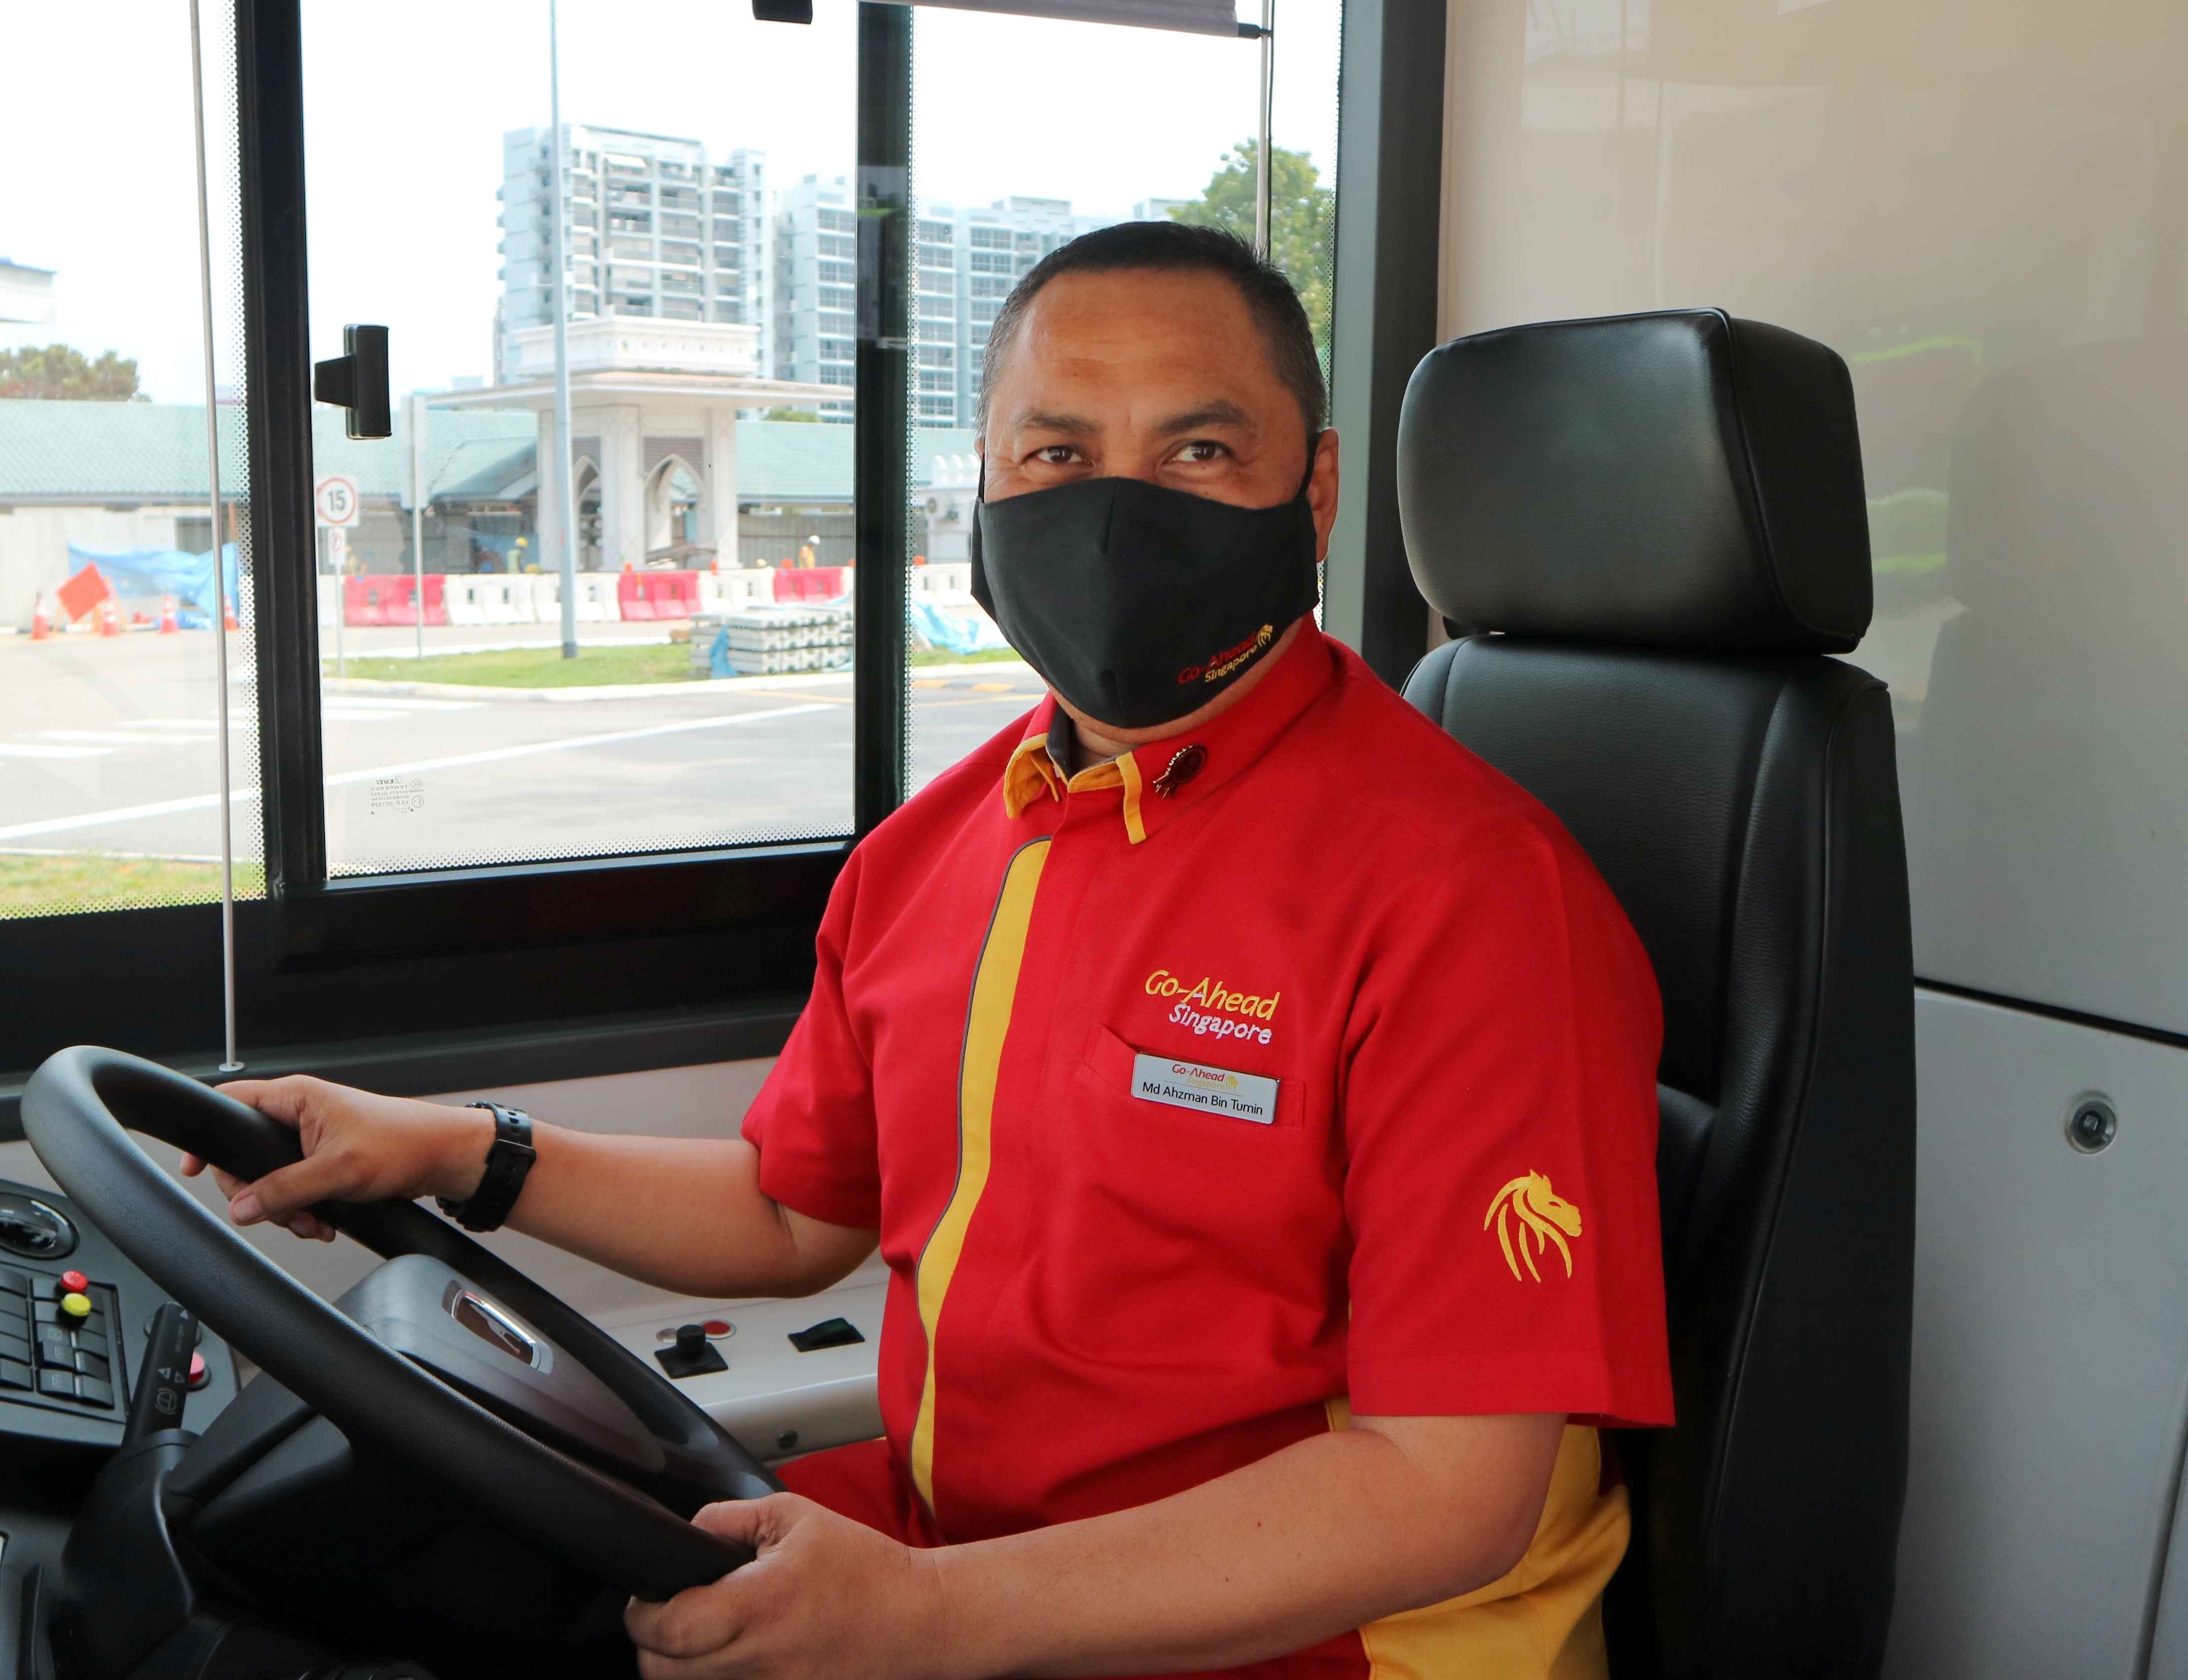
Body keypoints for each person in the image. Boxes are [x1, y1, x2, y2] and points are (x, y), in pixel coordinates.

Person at [190, 221, 1670, 1680]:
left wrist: (930, 1617)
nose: (1115, 512)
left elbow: (1444, 1491)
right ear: (988, 483)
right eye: (1057, 452)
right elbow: (792, 1217)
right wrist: (454, 1150)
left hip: (1314, 1647)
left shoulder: (1472, 896)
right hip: (967, 1555)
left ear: (1317, 487)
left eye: (1198, 452)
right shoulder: (934, 851)